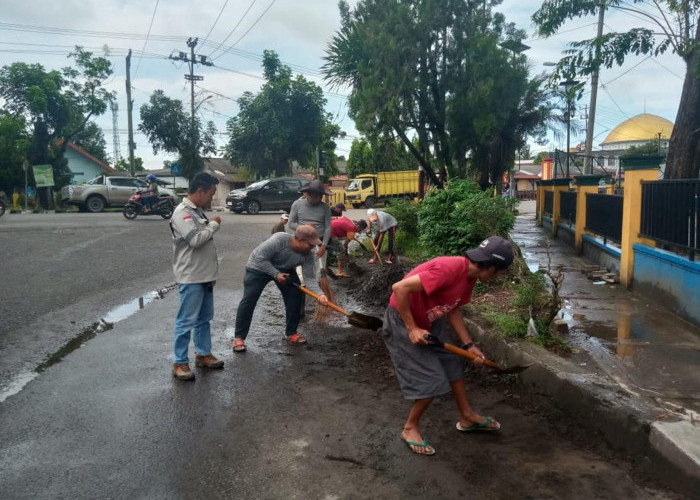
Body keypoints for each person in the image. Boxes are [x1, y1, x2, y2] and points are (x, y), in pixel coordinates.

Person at [383, 235, 514, 455]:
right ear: (491, 268)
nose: (499, 277)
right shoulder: (448, 269)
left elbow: (453, 308)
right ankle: (409, 428)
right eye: (501, 272)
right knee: (431, 379)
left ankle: (467, 416)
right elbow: (399, 288)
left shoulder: (469, 277)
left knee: (453, 363)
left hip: (429, 320)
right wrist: (412, 328)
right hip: (402, 320)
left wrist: (468, 344)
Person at [232, 225, 329, 352]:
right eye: (310, 245)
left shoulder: (308, 255)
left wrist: (320, 294)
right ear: (300, 240)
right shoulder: (279, 240)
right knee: (249, 299)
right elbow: (259, 258)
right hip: (258, 267)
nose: (312, 248)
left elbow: (309, 278)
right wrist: (276, 274)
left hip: (285, 269)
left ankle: (291, 333)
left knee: (295, 296)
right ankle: (239, 337)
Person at [169, 172, 224, 381]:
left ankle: (203, 354)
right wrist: (214, 225)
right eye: (210, 194)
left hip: (203, 275)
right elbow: (195, 240)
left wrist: (211, 273)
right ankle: (179, 362)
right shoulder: (182, 213)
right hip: (191, 276)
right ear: (200, 191)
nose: (211, 199)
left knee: (204, 319)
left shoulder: (197, 212)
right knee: (186, 320)